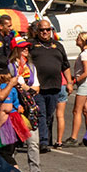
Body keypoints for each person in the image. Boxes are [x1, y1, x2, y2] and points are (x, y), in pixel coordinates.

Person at [7, 38, 50, 172]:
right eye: (23, 47)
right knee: (11, 145)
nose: (26, 49)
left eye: (27, 47)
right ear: (15, 50)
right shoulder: (10, 67)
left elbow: (36, 88)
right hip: (14, 110)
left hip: (29, 111)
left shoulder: (31, 67)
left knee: (33, 143)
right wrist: (25, 88)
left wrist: (24, 86)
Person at [29, 19, 72, 152]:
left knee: (49, 114)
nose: (45, 32)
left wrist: (69, 82)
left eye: (48, 30)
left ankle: (46, 139)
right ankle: (42, 142)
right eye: (42, 30)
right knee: (41, 113)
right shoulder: (31, 45)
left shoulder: (58, 45)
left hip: (54, 86)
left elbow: (65, 65)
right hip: (38, 87)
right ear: (37, 31)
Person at [67, 31, 87, 147]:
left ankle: (73, 137)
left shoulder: (84, 54)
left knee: (77, 111)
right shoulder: (86, 53)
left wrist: (75, 80)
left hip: (84, 85)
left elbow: (86, 72)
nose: (76, 40)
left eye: (78, 39)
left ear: (83, 41)